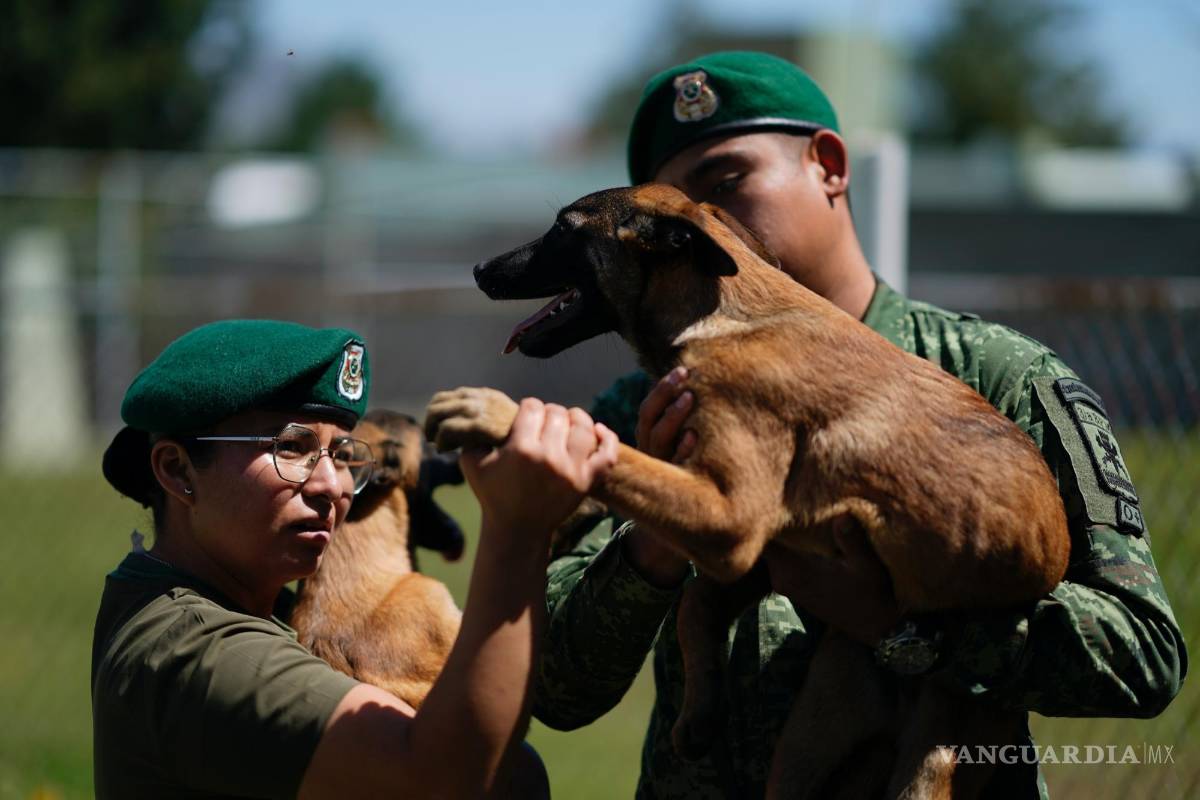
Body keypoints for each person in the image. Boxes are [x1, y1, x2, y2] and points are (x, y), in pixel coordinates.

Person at [531, 51, 1186, 798]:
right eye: (668, 215)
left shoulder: (995, 376)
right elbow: (556, 689)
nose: (696, 228)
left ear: (830, 167)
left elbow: (1144, 657)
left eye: (724, 184)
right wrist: (659, 532)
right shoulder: (638, 412)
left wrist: (909, 633)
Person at [92, 319, 618, 799]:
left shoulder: (240, 602)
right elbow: (451, 781)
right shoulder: (195, 652)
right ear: (178, 471)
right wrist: (518, 529)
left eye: (343, 453)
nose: (332, 486)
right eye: (290, 447)